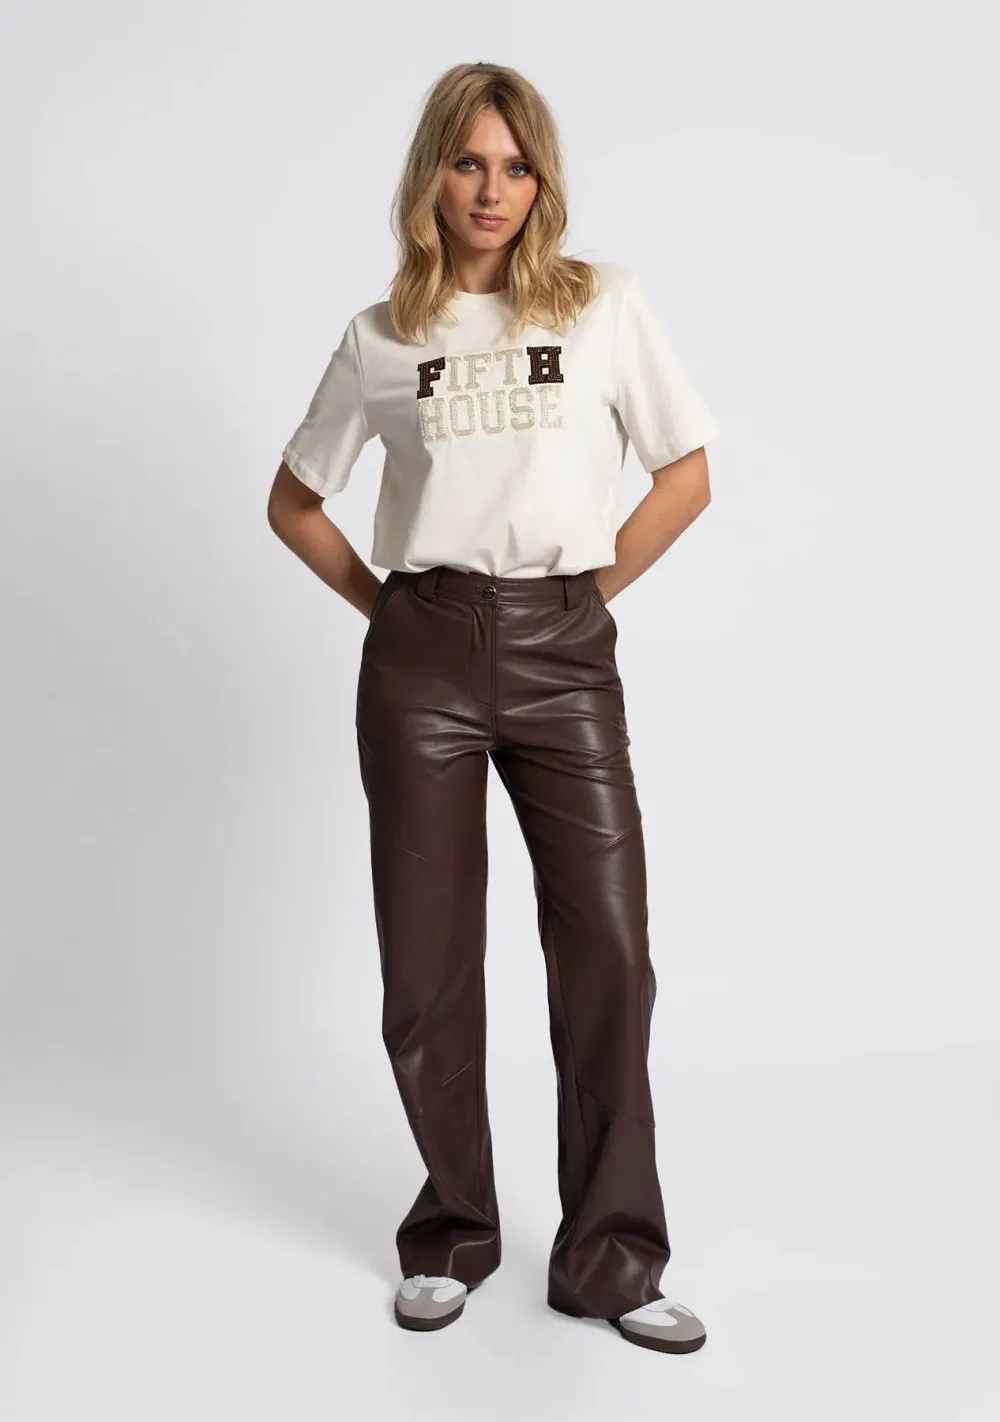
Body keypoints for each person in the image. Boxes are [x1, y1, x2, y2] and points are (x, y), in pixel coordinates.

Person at [266, 61, 719, 1356]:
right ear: (433, 175)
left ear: (542, 181)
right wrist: (393, 613)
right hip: (422, 660)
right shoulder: (381, 336)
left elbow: (686, 474)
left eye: (517, 166)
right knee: (427, 964)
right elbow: (294, 500)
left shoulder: (600, 304)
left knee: (609, 950)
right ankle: (453, 1230)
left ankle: (612, 1256)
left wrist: (586, 595)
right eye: (469, 162)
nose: (492, 189)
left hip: (565, 653)